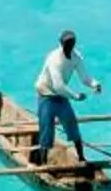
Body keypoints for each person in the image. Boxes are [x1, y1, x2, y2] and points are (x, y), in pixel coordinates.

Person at [32, 29, 102, 164]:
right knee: (46, 129)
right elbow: (58, 86)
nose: (69, 47)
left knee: (72, 125)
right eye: (67, 44)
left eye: (71, 44)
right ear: (61, 44)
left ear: (74, 44)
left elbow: (85, 78)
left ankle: (81, 158)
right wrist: (75, 96)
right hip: (46, 96)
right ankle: (43, 163)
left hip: (61, 97)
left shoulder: (76, 58)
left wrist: (95, 84)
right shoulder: (54, 59)